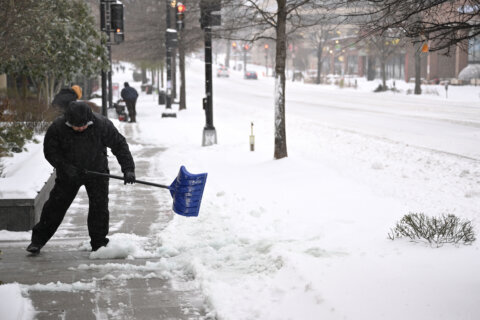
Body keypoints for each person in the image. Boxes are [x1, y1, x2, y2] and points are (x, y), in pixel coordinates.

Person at [26, 101, 136, 255]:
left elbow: (119, 145)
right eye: (76, 126)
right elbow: (50, 151)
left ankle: (98, 244)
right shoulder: (58, 127)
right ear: (68, 121)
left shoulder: (102, 125)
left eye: (83, 125)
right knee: (55, 207)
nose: (80, 128)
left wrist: (128, 169)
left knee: (99, 208)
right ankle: (37, 241)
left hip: (97, 172)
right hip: (69, 173)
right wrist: (64, 166)